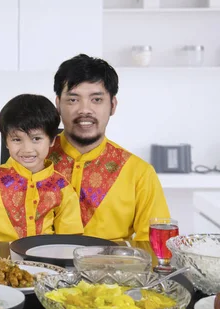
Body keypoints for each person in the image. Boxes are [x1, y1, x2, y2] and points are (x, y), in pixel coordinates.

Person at [48, 54, 170, 242]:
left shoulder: (139, 174)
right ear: (58, 105)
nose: (84, 110)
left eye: (96, 100)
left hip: (114, 269)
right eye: (73, 100)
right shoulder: (32, 160)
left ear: (112, 105)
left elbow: (155, 246)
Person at [0, 94, 84, 255]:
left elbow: (68, 238)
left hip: (46, 262)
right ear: (6, 141)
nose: (27, 149)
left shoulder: (62, 186)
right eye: (17, 140)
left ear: (52, 140)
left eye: (36, 139)